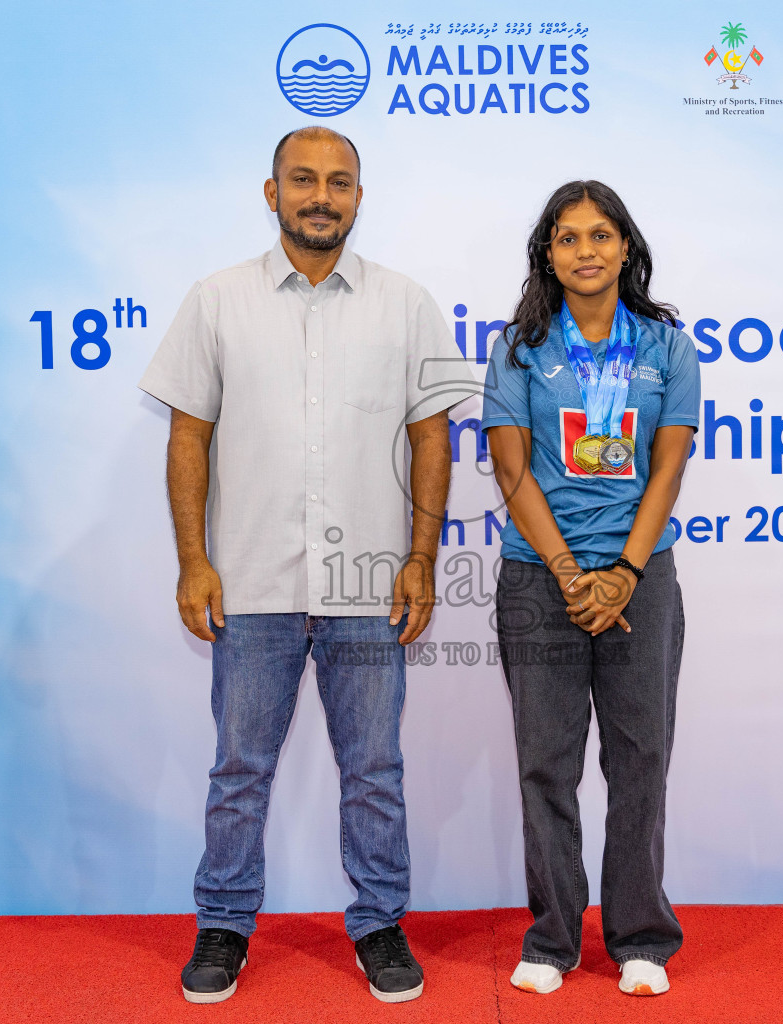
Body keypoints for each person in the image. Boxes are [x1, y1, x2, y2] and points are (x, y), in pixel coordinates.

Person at [138, 127, 466, 1005]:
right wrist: (193, 562)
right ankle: (223, 922)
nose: (322, 196)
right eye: (304, 180)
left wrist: (421, 558)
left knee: (375, 770)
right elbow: (188, 437)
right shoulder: (216, 301)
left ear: (361, 196)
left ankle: (381, 923)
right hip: (248, 582)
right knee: (239, 766)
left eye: (341, 182)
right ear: (271, 191)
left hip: (368, 584)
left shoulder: (405, 304)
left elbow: (431, 436)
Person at [481, 181, 700, 997]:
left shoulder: (666, 347)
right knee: (547, 762)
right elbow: (511, 469)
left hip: (641, 578)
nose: (586, 251)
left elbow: (668, 466)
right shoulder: (517, 347)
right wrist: (576, 578)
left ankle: (640, 935)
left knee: (641, 759)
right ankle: (551, 938)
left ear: (626, 248)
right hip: (542, 581)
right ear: (547, 253)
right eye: (568, 237)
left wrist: (625, 574)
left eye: (601, 235)